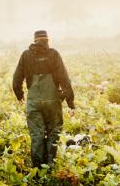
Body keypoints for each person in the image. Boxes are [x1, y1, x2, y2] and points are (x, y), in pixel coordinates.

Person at [12, 30, 75, 167]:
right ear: (47, 40)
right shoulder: (54, 54)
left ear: (34, 41)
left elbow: (16, 78)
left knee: (37, 135)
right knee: (53, 133)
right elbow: (64, 78)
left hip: (34, 101)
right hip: (53, 102)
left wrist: (19, 94)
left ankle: (38, 169)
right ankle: (50, 165)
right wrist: (70, 102)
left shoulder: (26, 55)